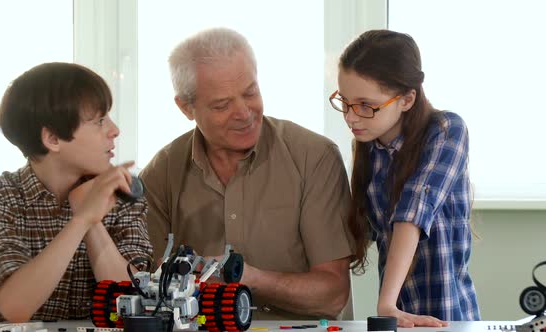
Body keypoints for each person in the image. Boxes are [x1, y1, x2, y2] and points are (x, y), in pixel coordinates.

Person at [140, 27, 360, 320]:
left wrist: (246, 277)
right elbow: (149, 287)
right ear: (186, 107)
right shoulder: (161, 173)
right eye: (222, 104)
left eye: (250, 92)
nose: (244, 112)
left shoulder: (314, 156)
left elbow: (332, 297)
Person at [0, 62, 153, 322]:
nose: (114, 130)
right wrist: (82, 219)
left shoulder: (122, 194)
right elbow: (14, 309)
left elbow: (134, 301)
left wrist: (93, 221)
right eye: (100, 121)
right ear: (53, 139)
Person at [330, 29, 481, 327]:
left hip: (448, 318)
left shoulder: (447, 131)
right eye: (344, 102)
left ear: (407, 99)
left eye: (365, 105)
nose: (350, 116)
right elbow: (356, 233)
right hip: (399, 320)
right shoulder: (369, 149)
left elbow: (412, 214)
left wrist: (385, 304)